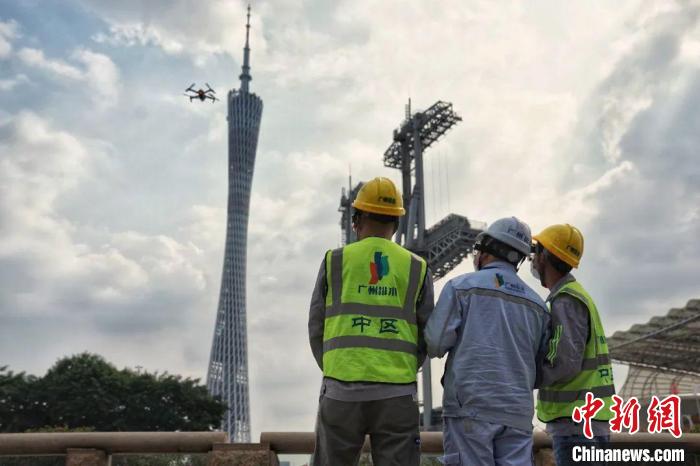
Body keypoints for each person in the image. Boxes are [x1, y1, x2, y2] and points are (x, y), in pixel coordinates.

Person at [308, 177, 434, 466]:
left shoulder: (334, 261)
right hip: (397, 392)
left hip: (341, 390)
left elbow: (316, 326)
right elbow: (428, 333)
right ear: (397, 223)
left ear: (357, 219)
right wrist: (402, 369)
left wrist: (334, 367)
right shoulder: (417, 267)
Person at [425, 217, 550, 466]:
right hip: (518, 413)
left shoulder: (461, 288)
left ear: (484, 249)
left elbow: (435, 343)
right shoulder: (538, 305)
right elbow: (540, 368)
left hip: (470, 408)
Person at [531, 224, 615, 466]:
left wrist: (527, 378)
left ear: (545, 256)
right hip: (590, 420)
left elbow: (563, 362)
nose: (533, 259)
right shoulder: (578, 296)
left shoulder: (565, 300)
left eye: (536, 250)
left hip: (574, 424)